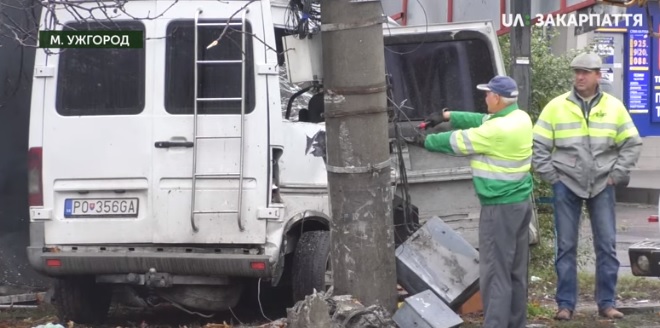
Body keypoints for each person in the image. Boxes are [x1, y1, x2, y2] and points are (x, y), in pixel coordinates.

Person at [408, 75, 533, 328]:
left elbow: (459, 141)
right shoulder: (519, 118)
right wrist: (448, 116)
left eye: (487, 94)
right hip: (520, 205)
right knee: (515, 273)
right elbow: (481, 120)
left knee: (495, 274)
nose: (485, 98)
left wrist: (426, 141)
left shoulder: (496, 131)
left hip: (499, 209)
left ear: (497, 98)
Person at [532, 52, 643, 321]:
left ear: (598, 76)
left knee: (606, 245)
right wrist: (553, 178)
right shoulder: (556, 106)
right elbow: (538, 146)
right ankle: (565, 305)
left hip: (603, 183)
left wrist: (616, 174)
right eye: (576, 72)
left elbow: (632, 143)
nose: (579, 77)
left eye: (585, 72)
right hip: (566, 184)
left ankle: (607, 303)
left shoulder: (614, 107)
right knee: (566, 247)